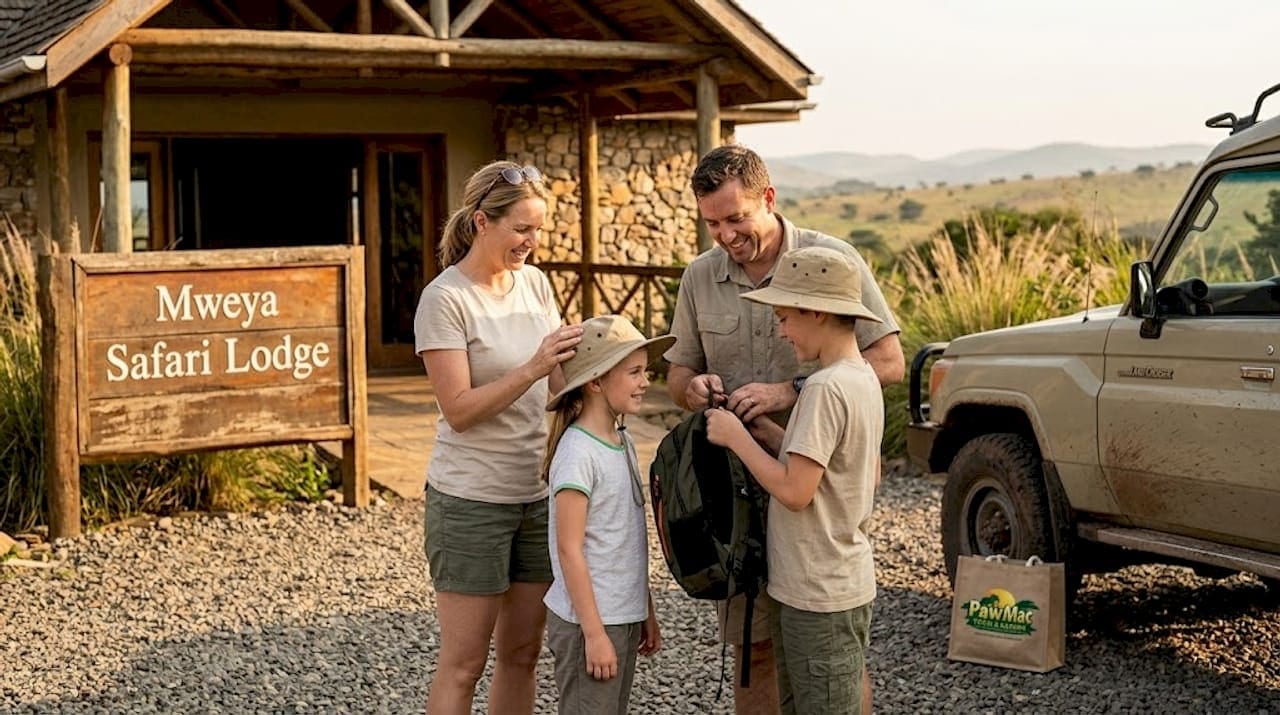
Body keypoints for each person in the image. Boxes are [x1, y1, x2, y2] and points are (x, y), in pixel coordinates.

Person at [664, 144, 903, 714]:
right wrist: (691, 389)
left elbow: (889, 363)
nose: (724, 235)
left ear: (768, 199)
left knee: (832, 658)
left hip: (814, 494)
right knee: (756, 647)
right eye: (712, 223)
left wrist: (787, 391)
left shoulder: (831, 261)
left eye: (736, 218)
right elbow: (677, 372)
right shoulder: (699, 276)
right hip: (739, 495)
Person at [414, 160, 584, 715]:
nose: (533, 243)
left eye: (538, 230)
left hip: (536, 497)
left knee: (521, 653)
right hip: (470, 502)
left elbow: (558, 383)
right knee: (463, 663)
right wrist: (534, 368)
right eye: (522, 229)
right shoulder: (445, 300)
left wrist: (596, 374)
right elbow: (459, 411)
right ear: (483, 222)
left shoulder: (534, 284)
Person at [705, 245, 885, 715]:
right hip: (833, 582)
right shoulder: (859, 376)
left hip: (817, 593)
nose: (782, 331)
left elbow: (796, 490)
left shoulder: (824, 388)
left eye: (785, 317)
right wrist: (766, 432)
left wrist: (735, 439)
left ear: (817, 313)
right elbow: (841, 466)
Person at [542, 315, 670, 714]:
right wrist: (594, 634)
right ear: (595, 382)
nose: (645, 382)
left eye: (644, 372)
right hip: (590, 622)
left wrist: (643, 607)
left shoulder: (622, 442)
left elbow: (625, 537)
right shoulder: (578, 453)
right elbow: (570, 549)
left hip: (620, 616)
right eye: (633, 372)